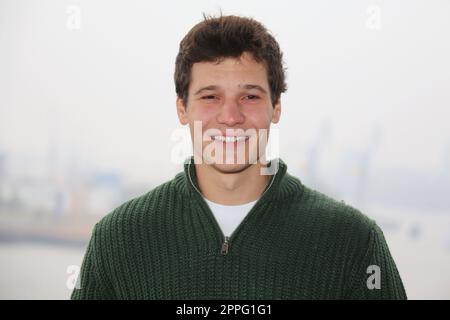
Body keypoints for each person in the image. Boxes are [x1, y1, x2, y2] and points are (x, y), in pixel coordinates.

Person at [71, 14, 407, 300]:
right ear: (181, 109)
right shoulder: (118, 239)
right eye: (210, 96)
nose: (230, 116)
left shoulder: (352, 240)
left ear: (276, 108)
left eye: (249, 96)